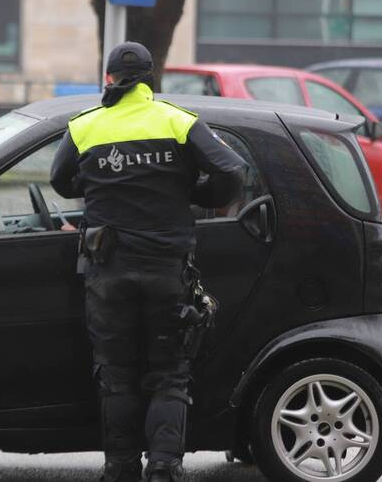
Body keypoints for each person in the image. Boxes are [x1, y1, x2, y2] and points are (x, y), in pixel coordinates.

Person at [49, 42, 247, 482]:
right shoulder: (178, 121)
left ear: (109, 79)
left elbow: (60, 180)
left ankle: (120, 470)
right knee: (169, 375)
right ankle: (164, 470)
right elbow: (232, 171)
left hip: (108, 272)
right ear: (150, 79)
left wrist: (101, 183)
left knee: (116, 374)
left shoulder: (85, 126)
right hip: (167, 270)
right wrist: (190, 193)